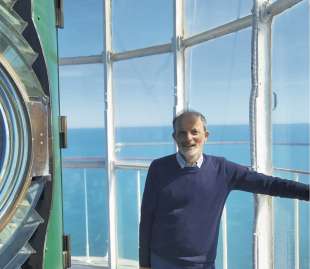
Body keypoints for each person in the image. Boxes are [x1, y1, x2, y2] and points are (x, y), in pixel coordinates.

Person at [139, 110, 309, 269]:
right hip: (161, 260)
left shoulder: (223, 170)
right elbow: (147, 216)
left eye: (194, 132)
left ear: (206, 136)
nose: (188, 138)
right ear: (175, 137)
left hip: (202, 264)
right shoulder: (159, 168)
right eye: (182, 133)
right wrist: (144, 263)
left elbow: (269, 184)